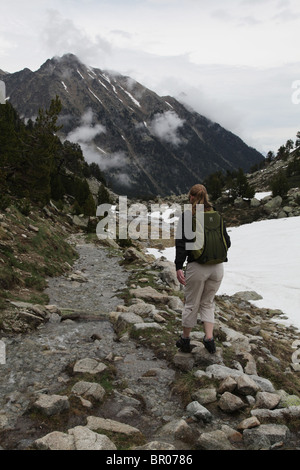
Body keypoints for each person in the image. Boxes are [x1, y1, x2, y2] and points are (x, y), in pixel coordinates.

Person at [175, 184, 231, 354]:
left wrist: (178, 266)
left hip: (197, 267)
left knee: (192, 303)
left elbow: (181, 245)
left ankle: (185, 339)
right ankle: (209, 338)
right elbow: (227, 242)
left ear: (191, 197)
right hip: (217, 268)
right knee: (207, 303)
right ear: (206, 196)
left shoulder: (187, 216)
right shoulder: (216, 215)